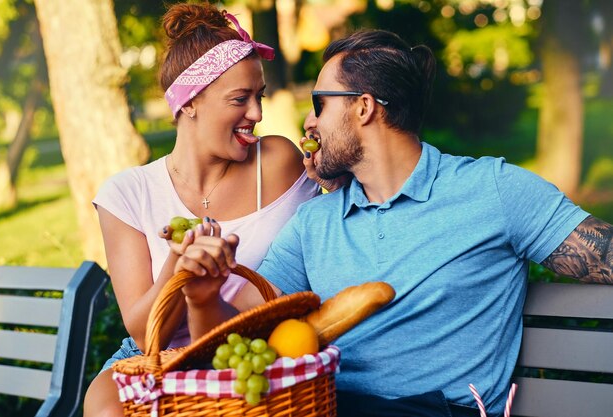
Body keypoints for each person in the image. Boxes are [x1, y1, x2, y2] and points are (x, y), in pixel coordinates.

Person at [172, 28, 613, 417]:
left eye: (319, 105)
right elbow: (233, 345)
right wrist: (203, 298)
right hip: (324, 406)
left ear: (363, 107)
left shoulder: (493, 190)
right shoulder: (314, 222)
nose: (308, 122)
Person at [82, 3, 320, 416]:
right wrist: (178, 263)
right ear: (189, 102)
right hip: (159, 359)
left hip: (253, 356)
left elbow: (325, 243)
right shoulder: (128, 193)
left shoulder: (277, 162)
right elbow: (143, 334)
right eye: (240, 99)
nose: (257, 114)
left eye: (259, 97)